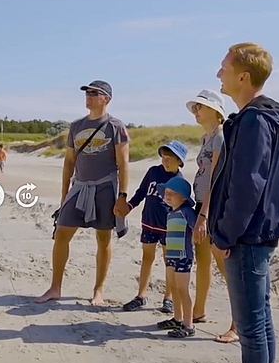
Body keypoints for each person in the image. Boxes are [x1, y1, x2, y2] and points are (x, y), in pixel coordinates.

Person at [209, 42, 279, 363]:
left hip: (247, 236)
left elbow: (248, 184)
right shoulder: (256, 118)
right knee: (261, 317)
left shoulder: (256, 120)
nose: (218, 74)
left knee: (251, 327)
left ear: (243, 76)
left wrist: (226, 235)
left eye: (224, 68)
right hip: (256, 233)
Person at [35, 80, 130, 306]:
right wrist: (64, 194)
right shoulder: (76, 126)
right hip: (79, 186)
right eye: (87, 93)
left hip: (105, 187)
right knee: (61, 233)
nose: (88, 96)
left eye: (94, 93)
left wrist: (122, 196)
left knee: (103, 238)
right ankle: (55, 287)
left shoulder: (116, 126)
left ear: (106, 98)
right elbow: (69, 162)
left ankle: (98, 290)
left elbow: (124, 164)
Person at [185, 89, 237, 343]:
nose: (196, 111)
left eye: (200, 107)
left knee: (223, 264)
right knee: (202, 258)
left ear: (215, 111)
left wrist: (204, 215)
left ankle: (238, 323)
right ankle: (199, 310)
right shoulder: (207, 137)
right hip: (201, 204)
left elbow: (216, 179)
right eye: (194, 107)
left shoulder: (220, 137)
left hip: (213, 207)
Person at [122, 141, 187, 313]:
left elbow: (183, 207)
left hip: (169, 227)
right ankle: (140, 296)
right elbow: (141, 192)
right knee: (147, 258)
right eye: (164, 157)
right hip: (149, 222)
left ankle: (168, 298)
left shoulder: (179, 181)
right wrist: (129, 206)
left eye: (170, 158)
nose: (165, 161)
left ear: (179, 161)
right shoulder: (153, 172)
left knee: (169, 262)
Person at [155, 176, 197, 338]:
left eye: (172, 193)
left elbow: (197, 228)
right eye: (166, 192)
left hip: (183, 256)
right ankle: (178, 318)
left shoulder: (187, 212)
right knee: (174, 288)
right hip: (171, 256)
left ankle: (189, 325)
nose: (168, 195)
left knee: (183, 290)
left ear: (184, 197)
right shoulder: (171, 213)